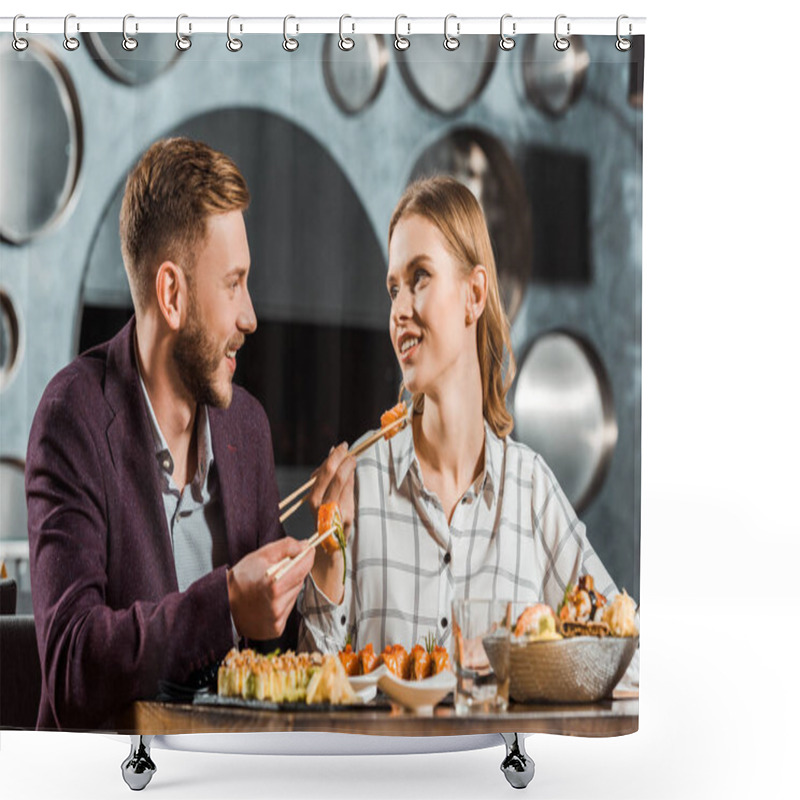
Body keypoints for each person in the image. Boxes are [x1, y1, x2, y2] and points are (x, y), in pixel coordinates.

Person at [25, 138, 315, 731]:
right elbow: (72, 663)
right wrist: (228, 603)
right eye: (233, 284)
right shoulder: (71, 418)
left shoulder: (247, 429)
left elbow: (273, 668)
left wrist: (318, 574)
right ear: (172, 294)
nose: (250, 316)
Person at [299, 176, 634, 663]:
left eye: (419, 278)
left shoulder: (531, 491)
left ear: (474, 295)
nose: (399, 310)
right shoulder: (360, 483)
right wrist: (328, 560)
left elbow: (625, 654)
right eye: (393, 289)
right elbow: (313, 682)